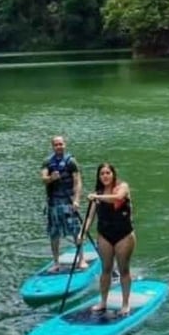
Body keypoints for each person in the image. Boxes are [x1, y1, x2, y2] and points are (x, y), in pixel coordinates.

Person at [88, 162, 136, 315]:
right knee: (106, 269)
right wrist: (82, 233)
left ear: (113, 174)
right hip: (105, 235)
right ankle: (103, 302)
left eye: (108, 173)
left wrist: (97, 196)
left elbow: (118, 198)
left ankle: (125, 304)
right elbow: (90, 217)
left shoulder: (123, 187)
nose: (105, 176)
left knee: (123, 270)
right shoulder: (98, 193)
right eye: (102, 173)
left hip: (124, 235)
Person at [40, 135, 83, 272]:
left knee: (75, 231)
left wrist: (76, 200)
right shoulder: (47, 161)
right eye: (56, 144)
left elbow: (77, 182)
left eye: (61, 144)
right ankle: (56, 263)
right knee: (54, 234)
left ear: (65, 145)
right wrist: (51, 178)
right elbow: (43, 179)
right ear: (52, 146)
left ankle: (81, 260)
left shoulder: (71, 161)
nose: (59, 146)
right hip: (53, 203)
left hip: (68, 202)